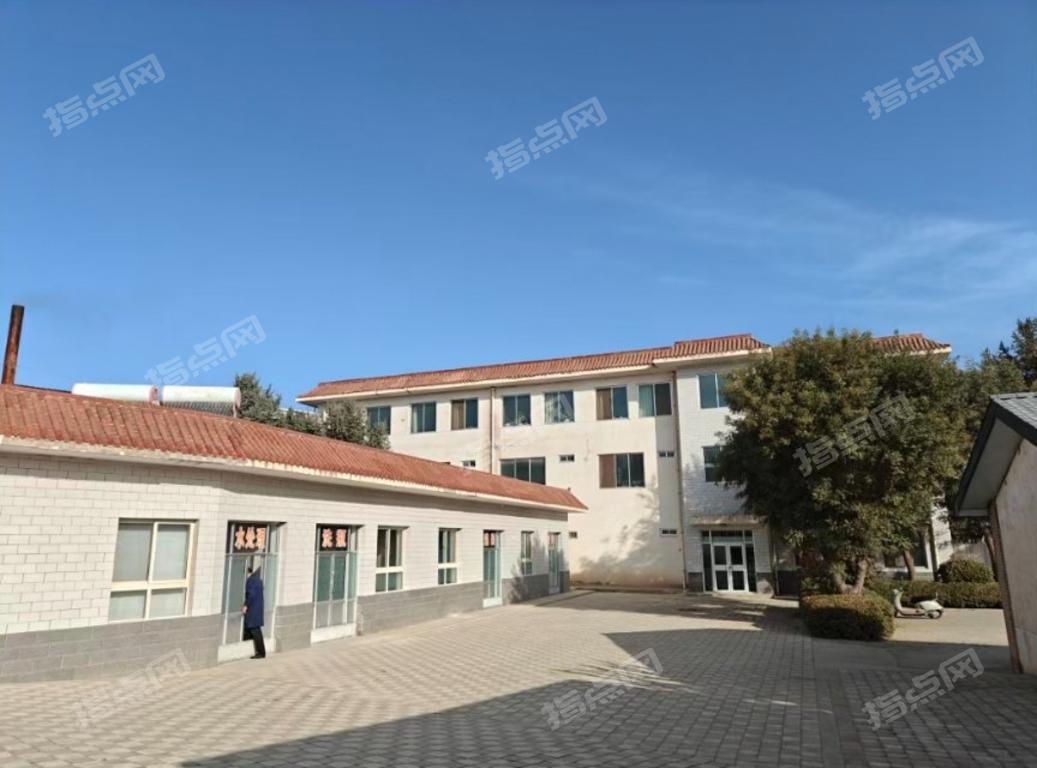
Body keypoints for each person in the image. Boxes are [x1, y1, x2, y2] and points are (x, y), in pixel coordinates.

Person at [241, 565, 266, 659]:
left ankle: (261, 653)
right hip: (257, 609)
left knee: (255, 630)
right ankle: (260, 652)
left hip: (253, 610)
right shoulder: (258, 580)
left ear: (247, 572)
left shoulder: (250, 581)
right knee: (254, 630)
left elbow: (251, 595)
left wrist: (245, 605)